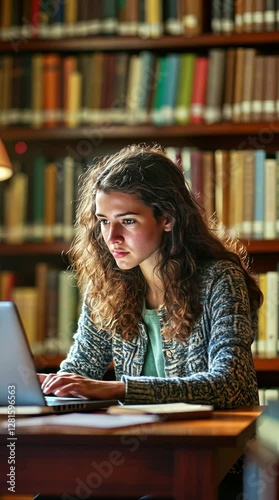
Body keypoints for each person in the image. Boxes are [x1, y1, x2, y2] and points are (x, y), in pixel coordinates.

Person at [39, 143, 262, 499]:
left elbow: (229, 384)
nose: (111, 238)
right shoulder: (107, 288)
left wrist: (120, 389)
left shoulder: (219, 280)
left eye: (127, 221)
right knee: (51, 493)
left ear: (167, 218)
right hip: (132, 454)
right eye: (103, 221)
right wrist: (48, 385)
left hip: (211, 460)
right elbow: (80, 371)